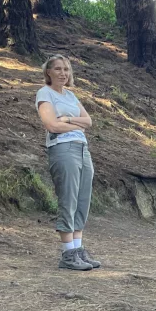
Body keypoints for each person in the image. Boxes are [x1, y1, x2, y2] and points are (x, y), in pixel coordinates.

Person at [35, 54, 102, 271]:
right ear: (48, 72)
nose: (63, 73)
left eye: (66, 69)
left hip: (83, 149)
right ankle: (67, 253)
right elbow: (51, 126)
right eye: (58, 69)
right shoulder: (45, 93)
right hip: (63, 149)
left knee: (83, 199)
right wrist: (74, 125)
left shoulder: (71, 96)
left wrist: (68, 120)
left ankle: (78, 249)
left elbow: (88, 121)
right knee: (69, 198)